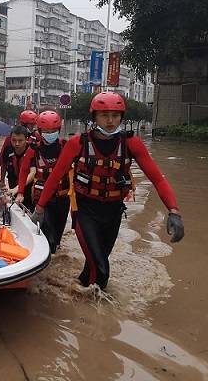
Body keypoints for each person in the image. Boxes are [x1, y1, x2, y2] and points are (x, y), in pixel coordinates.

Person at [31, 93, 185, 289]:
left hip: (113, 213)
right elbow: (54, 178)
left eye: (115, 115)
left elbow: (157, 179)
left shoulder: (132, 144)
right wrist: (40, 208)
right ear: (94, 117)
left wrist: (173, 210)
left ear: (122, 116)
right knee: (102, 271)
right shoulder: (77, 143)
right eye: (104, 115)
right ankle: (96, 316)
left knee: (94, 266)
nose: (110, 121)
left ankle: (75, 294)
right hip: (85, 211)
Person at [17, 111, 69, 253]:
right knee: (49, 238)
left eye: (53, 131)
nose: (50, 134)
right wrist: (21, 192)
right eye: (46, 131)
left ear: (59, 130)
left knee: (57, 239)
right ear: (39, 131)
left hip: (63, 198)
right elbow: (24, 171)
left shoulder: (66, 147)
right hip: (41, 200)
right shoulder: (34, 150)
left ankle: (55, 258)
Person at [0, 109, 38, 175]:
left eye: (34, 125)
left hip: (29, 172)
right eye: (31, 125)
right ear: (24, 124)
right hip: (13, 171)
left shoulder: (36, 136)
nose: (33, 127)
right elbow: (3, 156)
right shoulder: (11, 137)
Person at [0, 125, 34, 210]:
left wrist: (18, 189)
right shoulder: (8, 150)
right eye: (14, 140)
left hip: (28, 187)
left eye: (20, 140)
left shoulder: (33, 151)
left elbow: (32, 173)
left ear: (26, 139)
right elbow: (4, 164)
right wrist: (2, 180)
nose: (17, 144)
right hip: (13, 183)